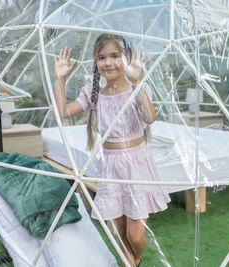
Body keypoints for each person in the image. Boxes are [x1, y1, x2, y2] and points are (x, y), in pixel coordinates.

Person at [53, 34, 170, 267]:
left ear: (126, 59)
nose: (108, 62)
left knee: (135, 234)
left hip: (137, 165)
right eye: (102, 57)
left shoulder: (137, 88)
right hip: (111, 166)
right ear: (96, 63)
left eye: (114, 56)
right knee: (121, 229)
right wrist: (60, 80)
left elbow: (150, 117)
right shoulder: (93, 93)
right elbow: (62, 112)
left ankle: (134, 259)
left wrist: (137, 82)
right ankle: (130, 261)